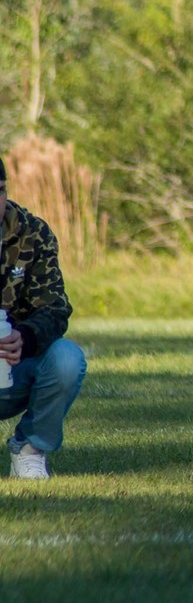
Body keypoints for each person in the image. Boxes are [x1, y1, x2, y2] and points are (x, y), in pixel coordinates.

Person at [0, 157, 87, 479]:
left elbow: (55, 308)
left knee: (67, 359)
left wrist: (24, 337)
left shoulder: (31, 233)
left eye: (0, 190)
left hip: (13, 366)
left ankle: (30, 448)